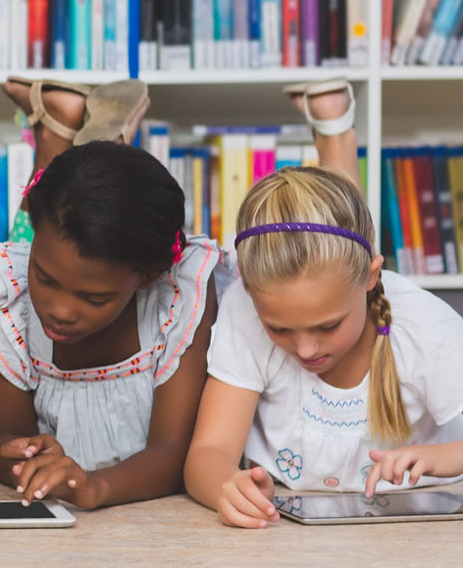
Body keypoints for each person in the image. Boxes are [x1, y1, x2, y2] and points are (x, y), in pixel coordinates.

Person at [186, 81, 463, 529]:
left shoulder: (424, 324)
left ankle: (335, 131)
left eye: (328, 325)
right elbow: (207, 453)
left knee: (345, 237)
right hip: (288, 535)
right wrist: (225, 485)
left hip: (406, 541)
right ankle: (334, 128)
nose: (307, 349)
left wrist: (443, 456)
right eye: (279, 329)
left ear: (372, 278)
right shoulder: (244, 305)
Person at [0, 75, 223, 510]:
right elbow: (2, 436)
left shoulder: (179, 298)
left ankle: (66, 131)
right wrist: (24, 458)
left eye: (93, 299)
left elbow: (173, 448)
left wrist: (94, 487)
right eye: (44, 277)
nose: (57, 311)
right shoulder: (7, 297)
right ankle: (74, 133)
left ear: (147, 276)